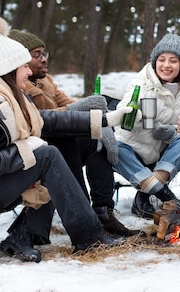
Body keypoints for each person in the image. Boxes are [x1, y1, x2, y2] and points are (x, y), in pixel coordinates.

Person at [0, 17, 133, 262]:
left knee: (49, 150)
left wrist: (105, 120)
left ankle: (24, 236)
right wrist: (26, 149)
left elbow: (49, 120)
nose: (30, 71)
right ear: (10, 70)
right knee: (46, 155)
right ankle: (88, 236)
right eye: (24, 67)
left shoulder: (11, 97)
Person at [8, 29, 139, 238]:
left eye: (44, 53)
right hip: (37, 151)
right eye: (36, 55)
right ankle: (84, 215)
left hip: (56, 140)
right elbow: (39, 119)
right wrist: (85, 110)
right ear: (19, 61)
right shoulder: (16, 88)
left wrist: (98, 122)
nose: (44, 59)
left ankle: (103, 211)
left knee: (96, 140)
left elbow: (69, 105)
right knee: (66, 138)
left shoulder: (46, 80)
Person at [113, 33, 180, 219]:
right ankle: (164, 195)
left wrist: (178, 131)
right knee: (114, 147)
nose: (166, 65)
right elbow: (122, 111)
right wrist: (135, 117)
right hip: (132, 150)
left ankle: (148, 189)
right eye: (162, 59)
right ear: (154, 62)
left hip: (161, 156)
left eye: (173, 61)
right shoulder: (140, 84)